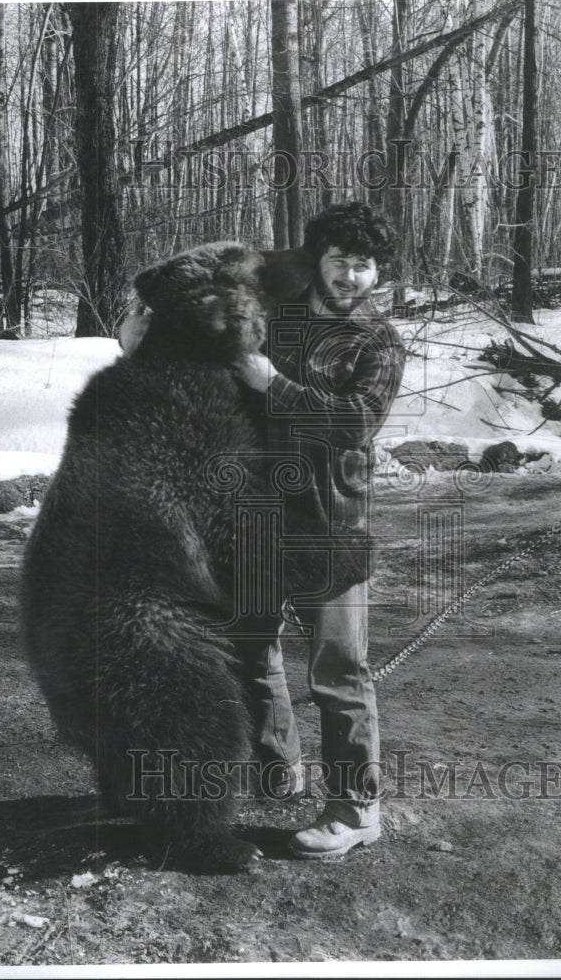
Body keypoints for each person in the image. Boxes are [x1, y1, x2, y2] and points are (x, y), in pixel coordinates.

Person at [234, 201, 405, 858]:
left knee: (339, 670)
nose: (352, 277)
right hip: (255, 516)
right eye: (341, 262)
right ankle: (278, 770)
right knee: (249, 649)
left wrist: (273, 385)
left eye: (365, 266)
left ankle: (357, 809)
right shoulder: (276, 316)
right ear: (318, 261)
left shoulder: (378, 342)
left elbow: (354, 423)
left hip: (332, 526)